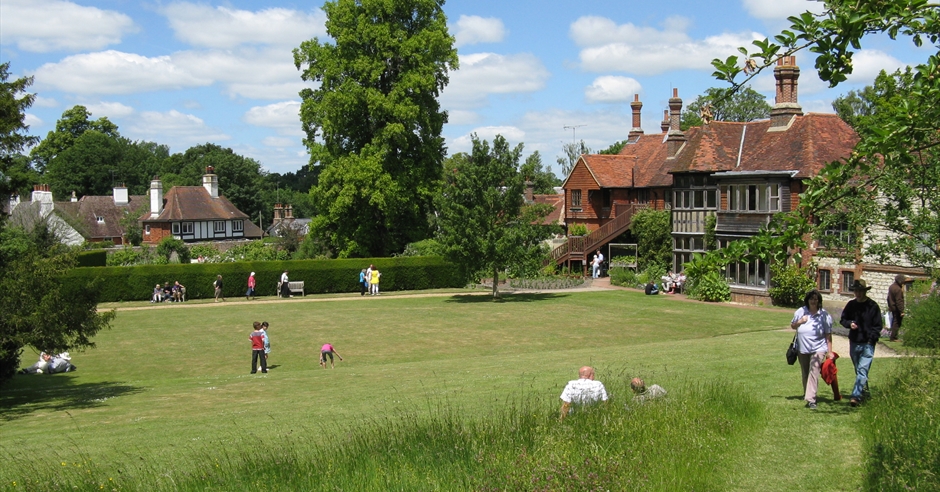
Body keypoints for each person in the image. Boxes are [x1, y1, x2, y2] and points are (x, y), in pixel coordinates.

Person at [840, 279, 882, 407]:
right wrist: (849, 324)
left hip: (868, 343)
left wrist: (871, 339)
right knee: (859, 370)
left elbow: (878, 326)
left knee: (862, 370)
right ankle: (865, 393)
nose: (858, 293)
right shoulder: (851, 305)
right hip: (854, 342)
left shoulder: (872, 306)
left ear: (864, 291)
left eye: (860, 291)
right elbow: (843, 319)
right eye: (856, 291)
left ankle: (855, 396)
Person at [790, 290, 834, 409]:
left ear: (819, 301)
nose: (813, 301)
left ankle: (811, 399)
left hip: (818, 348)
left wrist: (829, 352)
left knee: (814, 371)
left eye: (816, 299)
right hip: (802, 348)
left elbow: (828, 335)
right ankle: (807, 393)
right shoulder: (801, 311)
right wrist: (800, 321)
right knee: (805, 373)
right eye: (811, 299)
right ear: (807, 300)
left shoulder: (824, 315)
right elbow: (793, 325)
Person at [887, 274, 905, 342]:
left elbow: (888, 298)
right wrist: (901, 311)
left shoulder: (891, 287)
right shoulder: (898, 289)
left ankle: (893, 336)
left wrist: (889, 306)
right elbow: (899, 301)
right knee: (897, 322)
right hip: (896, 308)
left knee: (894, 322)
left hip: (892, 306)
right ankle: (893, 337)